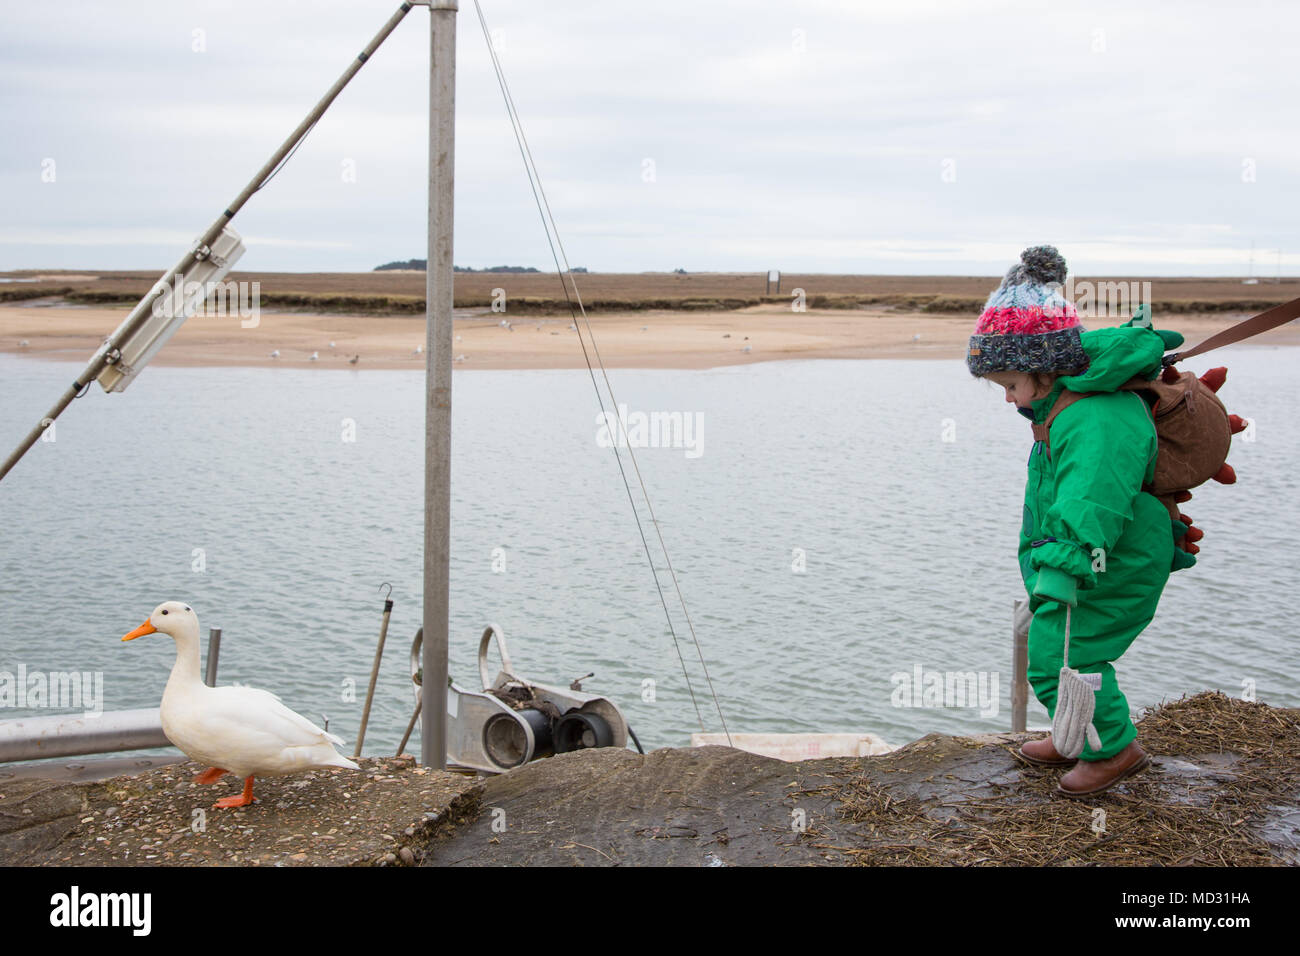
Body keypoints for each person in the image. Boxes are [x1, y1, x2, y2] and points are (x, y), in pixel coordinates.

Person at [967, 245, 1183, 797]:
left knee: (1066, 655)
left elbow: (1091, 501)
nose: (1008, 398)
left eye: (1010, 383)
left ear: (1043, 366)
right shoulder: (1061, 408)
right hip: (1088, 557)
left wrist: (1061, 572)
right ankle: (1075, 736)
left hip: (1113, 555)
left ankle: (1113, 749)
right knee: (1058, 648)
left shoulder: (1094, 416)